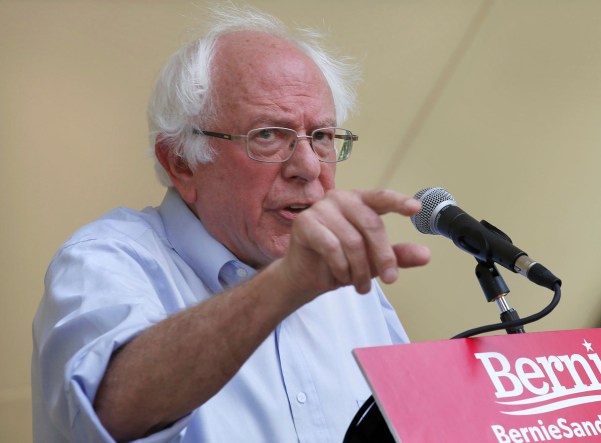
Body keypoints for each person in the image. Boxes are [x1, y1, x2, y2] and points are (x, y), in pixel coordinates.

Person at [31, 5, 430, 442]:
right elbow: (108, 411)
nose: (308, 167)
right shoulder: (103, 261)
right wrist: (284, 284)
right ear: (181, 161)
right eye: (267, 135)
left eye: (321, 137)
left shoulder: (351, 285)